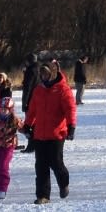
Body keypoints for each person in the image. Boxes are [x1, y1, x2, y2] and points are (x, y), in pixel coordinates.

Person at [23, 59, 76, 203]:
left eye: (46, 74)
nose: (43, 77)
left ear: (52, 74)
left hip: (56, 134)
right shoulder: (38, 90)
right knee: (41, 166)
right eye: (42, 74)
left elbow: (70, 109)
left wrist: (71, 126)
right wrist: (27, 125)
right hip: (40, 134)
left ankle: (63, 183)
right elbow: (32, 110)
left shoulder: (63, 89)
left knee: (56, 163)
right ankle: (43, 195)